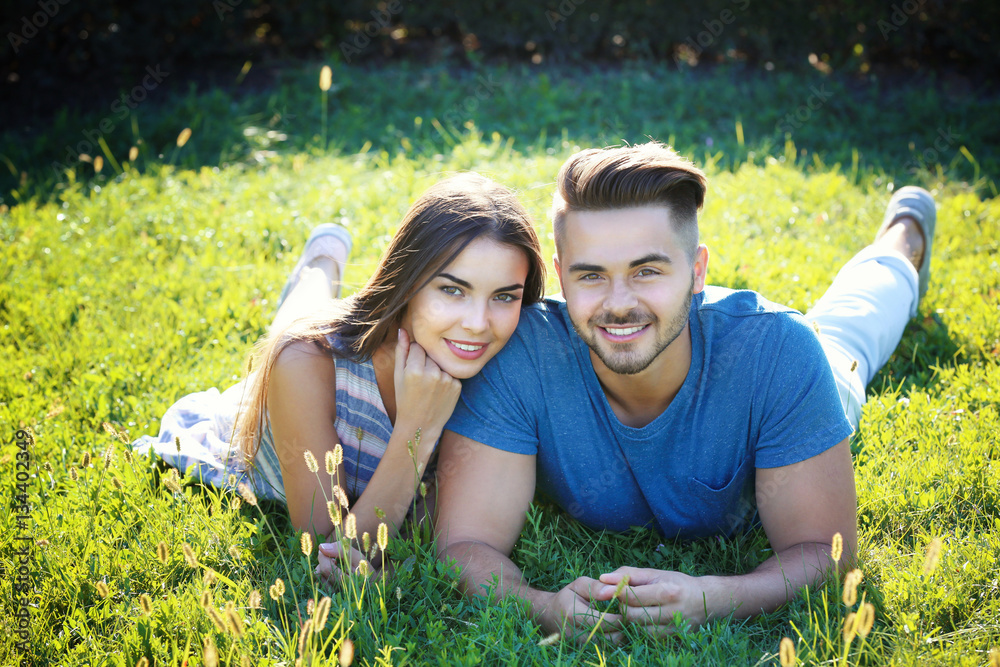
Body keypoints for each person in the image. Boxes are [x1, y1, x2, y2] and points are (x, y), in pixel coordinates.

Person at [434, 142, 936, 640]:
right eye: (591, 276)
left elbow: (826, 551)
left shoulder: (779, 353)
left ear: (697, 272)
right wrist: (541, 605)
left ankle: (903, 236)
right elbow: (464, 543)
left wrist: (715, 597)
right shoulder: (520, 354)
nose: (619, 304)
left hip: (811, 369)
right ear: (561, 273)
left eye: (646, 271)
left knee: (852, 328)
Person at [133, 172, 546, 576]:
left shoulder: (502, 370)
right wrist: (417, 428)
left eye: (504, 296)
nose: (477, 323)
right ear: (408, 281)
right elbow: (328, 546)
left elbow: (440, 524)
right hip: (264, 402)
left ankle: (323, 269)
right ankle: (321, 264)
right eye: (452, 289)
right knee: (292, 326)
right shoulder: (307, 363)